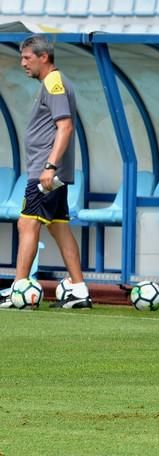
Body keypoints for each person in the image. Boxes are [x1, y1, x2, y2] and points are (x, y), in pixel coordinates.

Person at [0, 35, 91, 309]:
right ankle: (79, 289)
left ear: (44, 57)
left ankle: (20, 291)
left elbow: (65, 127)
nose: (23, 63)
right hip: (49, 172)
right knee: (59, 228)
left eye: (27, 58)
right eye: (21, 58)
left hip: (46, 172)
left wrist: (50, 166)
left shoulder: (54, 82)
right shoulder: (52, 83)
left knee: (26, 223)